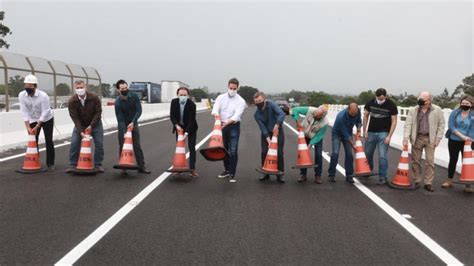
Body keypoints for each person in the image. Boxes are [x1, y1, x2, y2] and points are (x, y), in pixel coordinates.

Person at [403, 91, 445, 192]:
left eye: (423, 100)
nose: (420, 101)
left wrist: (438, 138)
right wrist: (405, 138)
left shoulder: (437, 110)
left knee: (430, 161)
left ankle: (428, 183)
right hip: (417, 138)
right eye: (419, 99)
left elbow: (441, 124)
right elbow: (408, 124)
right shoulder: (414, 110)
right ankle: (417, 180)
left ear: (429, 101)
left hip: (430, 138)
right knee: (415, 161)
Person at [211, 78, 246, 183]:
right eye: (231, 88)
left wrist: (225, 124)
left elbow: (237, 115)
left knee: (233, 150)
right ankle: (226, 170)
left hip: (233, 125)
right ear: (228, 86)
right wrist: (217, 117)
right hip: (221, 125)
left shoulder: (241, 101)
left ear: (237, 88)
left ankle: (232, 173)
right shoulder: (220, 98)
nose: (232, 90)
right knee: (224, 149)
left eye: (234, 88)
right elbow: (215, 109)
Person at [65, 80, 104, 173]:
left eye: (81, 87)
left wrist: (91, 126)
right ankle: (72, 164)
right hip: (80, 124)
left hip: (95, 124)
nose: (80, 90)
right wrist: (80, 131)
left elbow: (98, 112)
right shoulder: (72, 101)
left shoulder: (94, 98)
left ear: (85, 87)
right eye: (77, 88)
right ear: (75, 89)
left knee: (99, 144)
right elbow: (74, 117)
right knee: (74, 143)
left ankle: (98, 164)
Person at [19, 74, 55, 171]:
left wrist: (38, 125)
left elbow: (45, 111)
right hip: (33, 119)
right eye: (26, 85)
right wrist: (28, 127)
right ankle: (35, 161)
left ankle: (50, 164)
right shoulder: (22, 95)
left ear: (35, 86)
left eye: (30, 86)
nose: (27, 88)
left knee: (49, 140)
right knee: (33, 140)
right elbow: (24, 111)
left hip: (47, 118)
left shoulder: (43, 96)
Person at [363, 88, 398, 185]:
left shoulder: (391, 105)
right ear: (376, 96)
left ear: (386, 97)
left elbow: (394, 121)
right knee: (367, 153)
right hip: (371, 132)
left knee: (382, 156)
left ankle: (383, 177)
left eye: (382, 99)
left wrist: (389, 136)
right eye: (379, 99)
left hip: (384, 133)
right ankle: (368, 170)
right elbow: (365, 116)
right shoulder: (370, 103)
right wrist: (364, 131)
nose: (380, 101)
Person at [114, 79, 151, 174]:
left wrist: (133, 122)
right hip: (123, 124)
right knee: (122, 145)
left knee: (137, 145)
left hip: (133, 122)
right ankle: (123, 167)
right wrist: (124, 132)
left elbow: (139, 110)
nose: (125, 89)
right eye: (122, 88)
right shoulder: (118, 102)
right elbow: (120, 118)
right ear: (118, 90)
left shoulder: (134, 96)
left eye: (126, 87)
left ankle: (141, 166)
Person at [442, 96, 473, 193]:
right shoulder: (455, 113)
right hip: (454, 140)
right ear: (460, 103)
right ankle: (449, 180)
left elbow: (473, 129)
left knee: (467, 163)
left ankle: (468, 185)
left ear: (471, 104)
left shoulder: (473, 114)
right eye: (463, 103)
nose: (465, 105)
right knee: (453, 160)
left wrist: (468, 139)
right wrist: (461, 136)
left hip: (468, 142)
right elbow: (451, 125)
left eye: (467, 104)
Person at [291, 105, 329, 184]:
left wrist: (309, 146)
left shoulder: (325, 123)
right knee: (303, 154)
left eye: (318, 116)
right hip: (305, 135)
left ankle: (318, 175)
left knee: (318, 154)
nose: (315, 117)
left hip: (316, 137)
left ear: (322, 116)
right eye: (315, 114)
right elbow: (294, 110)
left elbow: (319, 136)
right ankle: (303, 174)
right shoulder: (310, 110)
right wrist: (297, 122)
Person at [254, 91, 286, 183]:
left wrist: (277, 124)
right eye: (256, 101)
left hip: (277, 131)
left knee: (279, 152)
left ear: (264, 99)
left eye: (259, 100)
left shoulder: (271, 105)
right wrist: (269, 141)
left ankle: (280, 174)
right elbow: (262, 128)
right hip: (266, 134)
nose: (258, 103)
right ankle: (265, 173)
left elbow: (281, 114)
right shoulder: (256, 115)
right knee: (264, 152)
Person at [328, 102, 362, 183]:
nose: (354, 115)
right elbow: (345, 134)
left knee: (349, 155)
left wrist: (359, 129)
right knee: (335, 154)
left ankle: (349, 175)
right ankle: (331, 174)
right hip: (337, 134)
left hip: (348, 132)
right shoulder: (341, 117)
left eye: (355, 113)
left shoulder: (358, 111)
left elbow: (359, 121)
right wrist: (353, 145)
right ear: (348, 110)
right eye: (352, 113)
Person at [170, 86, 198, 177]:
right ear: (177, 95)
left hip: (191, 128)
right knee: (180, 149)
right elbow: (172, 116)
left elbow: (191, 120)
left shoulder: (192, 105)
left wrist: (186, 133)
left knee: (191, 148)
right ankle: (179, 168)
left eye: (184, 95)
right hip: (179, 127)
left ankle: (192, 169)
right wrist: (176, 125)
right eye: (181, 95)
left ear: (188, 95)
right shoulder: (174, 102)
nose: (182, 96)